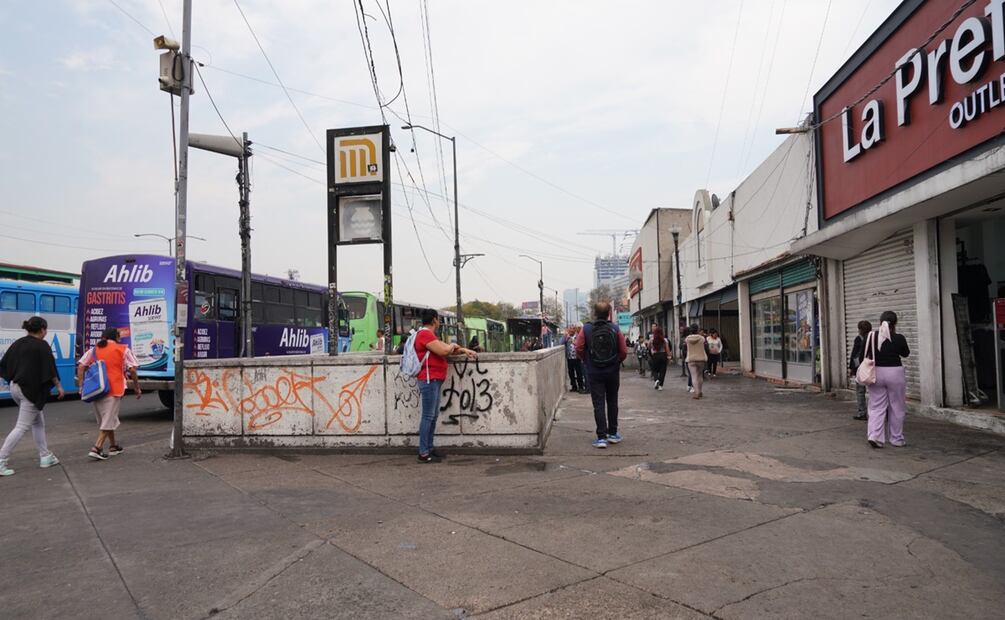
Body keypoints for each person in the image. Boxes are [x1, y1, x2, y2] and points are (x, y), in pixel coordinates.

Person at [0, 317, 64, 476]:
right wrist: (59, 386)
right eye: (46, 329)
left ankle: (45, 456)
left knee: (38, 422)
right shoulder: (42, 346)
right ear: (42, 329)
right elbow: (51, 370)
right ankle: (1, 459)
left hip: (15, 387)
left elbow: (4, 364)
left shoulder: (19, 343)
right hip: (30, 391)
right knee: (22, 426)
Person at [414, 309, 477, 463]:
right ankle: (423, 453)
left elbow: (446, 350)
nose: (440, 322)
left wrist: (463, 350)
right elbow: (444, 350)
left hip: (434, 379)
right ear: (434, 320)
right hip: (428, 379)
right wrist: (453, 345)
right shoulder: (424, 334)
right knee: (428, 416)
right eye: (439, 319)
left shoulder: (430, 336)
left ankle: (429, 448)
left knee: (433, 416)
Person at [77, 328, 141, 460]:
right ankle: (97, 448)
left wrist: (81, 386)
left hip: (96, 389)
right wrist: (136, 387)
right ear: (117, 337)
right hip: (114, 388)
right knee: (108, 419)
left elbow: (81, 366)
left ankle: (113, 446)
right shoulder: (123, 349)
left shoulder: (94, 350)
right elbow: (133, 370)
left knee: (107, 417)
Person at [575, 302, 628, 449]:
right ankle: (613, 434)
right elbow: (623, 351)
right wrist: (616, 362)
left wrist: (587, 361)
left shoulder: (586, 328)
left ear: (594, 313)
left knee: (598, 403)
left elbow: (578, 347)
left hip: (594, 372)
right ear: (609, 314)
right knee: (612, 401)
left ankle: (601, 438)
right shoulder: (615, 328)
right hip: (612, 371)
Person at [866, 311, 910, 449]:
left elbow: (863, 355)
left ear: (880, 322)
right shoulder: (899, 338)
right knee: (897, 407)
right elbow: (906, 353)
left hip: (876, 373)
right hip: (895, 373)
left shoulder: (871, 336)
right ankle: (896, 439)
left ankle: (875, 436)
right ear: (895, 323)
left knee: (876, 406)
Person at [848, 320, 872, 421]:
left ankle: (862, 413)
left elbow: (854, 354)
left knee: (860, 391)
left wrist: (851, 368)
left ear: (860, 330)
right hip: (872, 367)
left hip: (861, 368)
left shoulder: (859, 339)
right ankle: (878, 412)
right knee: (875, 391)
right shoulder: (874, 337)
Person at [685, 324, 707, 399]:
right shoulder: (702, 338)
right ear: (697, 330)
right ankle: (700, 391)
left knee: (694, 376)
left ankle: (696, 392)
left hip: (691, 359)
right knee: (700, 375)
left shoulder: (687, 339)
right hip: (701, 359)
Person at [561, 327, 586, 393]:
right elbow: (561, 343)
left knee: (579, 373)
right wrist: (565, 337)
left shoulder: (578, 336)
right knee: (571, 373)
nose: (571, 331)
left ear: (574, 330)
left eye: (572, 329)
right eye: (570, 330)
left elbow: (580, 344)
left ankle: (580, 387)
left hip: (577, 358)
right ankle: (574, 386)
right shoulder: (567, 337)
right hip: (569, 358)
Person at [649, 326, 671, 390]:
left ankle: (656, 380)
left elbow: (649, 347)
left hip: (655, 355)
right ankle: (660, 386)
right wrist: (669, 357)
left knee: (654, 370)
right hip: (663, 355)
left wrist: (652, 349)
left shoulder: (652, 339)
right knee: (662, 371)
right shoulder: (665, 340)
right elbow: (667, 349)